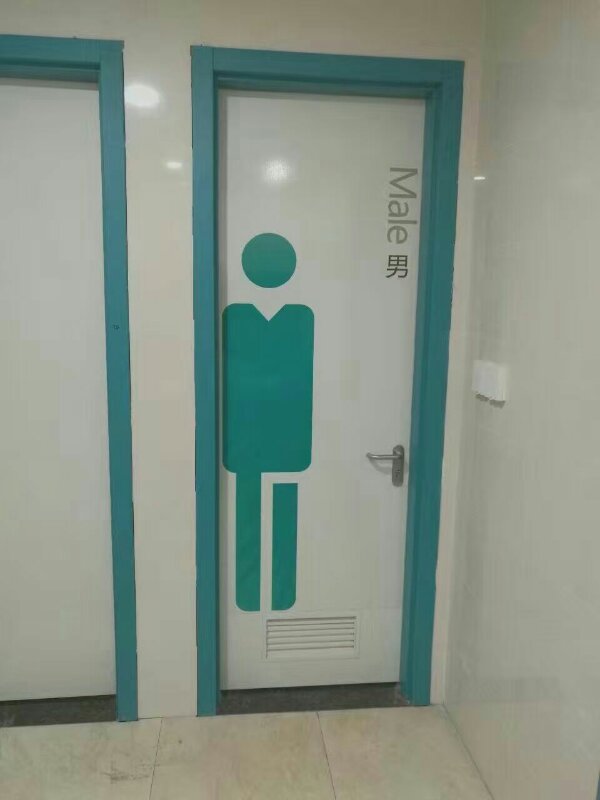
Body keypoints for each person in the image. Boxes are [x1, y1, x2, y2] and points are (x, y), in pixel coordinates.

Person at [222, 233, 314, 611]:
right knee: (247, 524)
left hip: (286, 438)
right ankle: (248, 602)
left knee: (283, 525)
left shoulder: (300, 316)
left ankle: (281, 600)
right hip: (246, 438)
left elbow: (300, 376)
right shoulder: (236, 315)